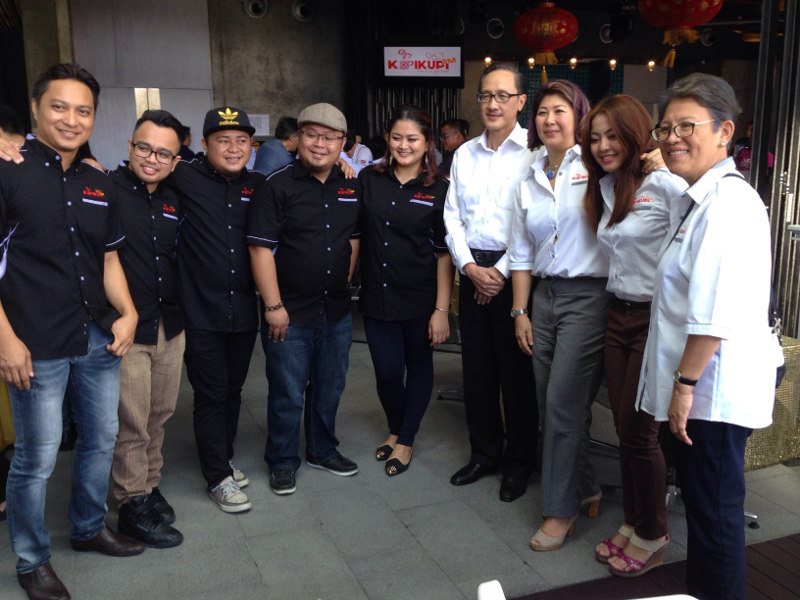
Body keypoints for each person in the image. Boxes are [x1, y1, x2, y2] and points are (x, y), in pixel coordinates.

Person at [0, 63, 144, 600]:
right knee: (37, 456)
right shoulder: (8, 171)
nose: (71, 118)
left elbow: (107, 258)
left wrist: (126, 312)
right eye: (59, 106)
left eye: (83, 110)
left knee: (100, 439)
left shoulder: (97, 182)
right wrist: (6, 340)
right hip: (33, 342)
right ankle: (32, 558)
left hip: (97, 337)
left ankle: (87, 529)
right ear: (36, 109)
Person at [639, 73, 776, 599]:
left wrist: (683, 385)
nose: (671, 137)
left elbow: (712, 311)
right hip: (702, 388)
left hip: (711, 394)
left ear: (725, 131)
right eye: (665, 127)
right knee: (703, 507)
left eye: (686, 126)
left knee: (715, 513)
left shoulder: (728, 203)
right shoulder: (698, 197)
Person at [581, 95, 686, 574]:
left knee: (641, 433)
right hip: (617, 315)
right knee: (624, 430)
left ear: (635, 134)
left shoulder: (666, 184)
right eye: (596, 137)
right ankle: (634, 522)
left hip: (653, 320)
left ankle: (653, 532)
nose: (603, 145)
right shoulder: (609, 186)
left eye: (612, 135)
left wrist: (675, 170)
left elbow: (705, 223)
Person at [248, 103, 362, 496]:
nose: (320, 144)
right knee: (287, 390)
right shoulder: (276, 184)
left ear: (342, 144)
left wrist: (343, 278)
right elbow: (260, 249)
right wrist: (273, 306)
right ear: (297, 138)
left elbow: (354, 237)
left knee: (330, 386)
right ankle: (281, 460)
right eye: (312, 135)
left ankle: (322, 449)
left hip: (335, 309)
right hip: (289, 312)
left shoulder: (350, 185)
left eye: (330, 138)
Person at [443, 63, 539, 503]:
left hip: (515, 274)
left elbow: (532, 222)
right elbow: (452, 216)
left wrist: (498, 271)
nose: (493, 104)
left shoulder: (535, 154)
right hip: (472, 269)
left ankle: (519, 462)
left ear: (522, 101)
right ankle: (484, 453)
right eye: (486, 96)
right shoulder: (464, 154)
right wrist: (467, 266)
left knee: (515, 374)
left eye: (503, 96)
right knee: (477, 372)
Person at [169, 107, 263, 513]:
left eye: (241, 140)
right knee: (209, 393)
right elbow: (137, 172)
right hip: (200, 308)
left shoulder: (260, 185)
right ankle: (217, 477)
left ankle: (221, 457)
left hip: (243, 309)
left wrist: (347, 170)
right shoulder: (182, 176)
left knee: (233, 390)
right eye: (223, 140)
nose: (233, 147)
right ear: (203, 145)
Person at [359, 105, 454, 476]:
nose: (404, 145)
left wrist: (441, 311)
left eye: (412, 138)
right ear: (387, 139)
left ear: (427, 142)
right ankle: (395, 426)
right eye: (396, 137)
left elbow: (444, 254)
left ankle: (406, 437)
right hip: (377, 296)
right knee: (385, 371)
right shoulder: (369, 179)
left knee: (418, 367)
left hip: (420, 298)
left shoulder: (440, 189)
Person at [108, 110, 185, 548]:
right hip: (128, 329)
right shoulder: (105, 190)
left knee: (160, 414)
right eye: (144, 147)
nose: (151, 158)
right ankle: (130, 503)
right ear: (130, 146)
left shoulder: (176, 196)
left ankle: (149, 485)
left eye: (163, 152)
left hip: (170, 325)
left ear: (176, 159)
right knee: (132, 421)